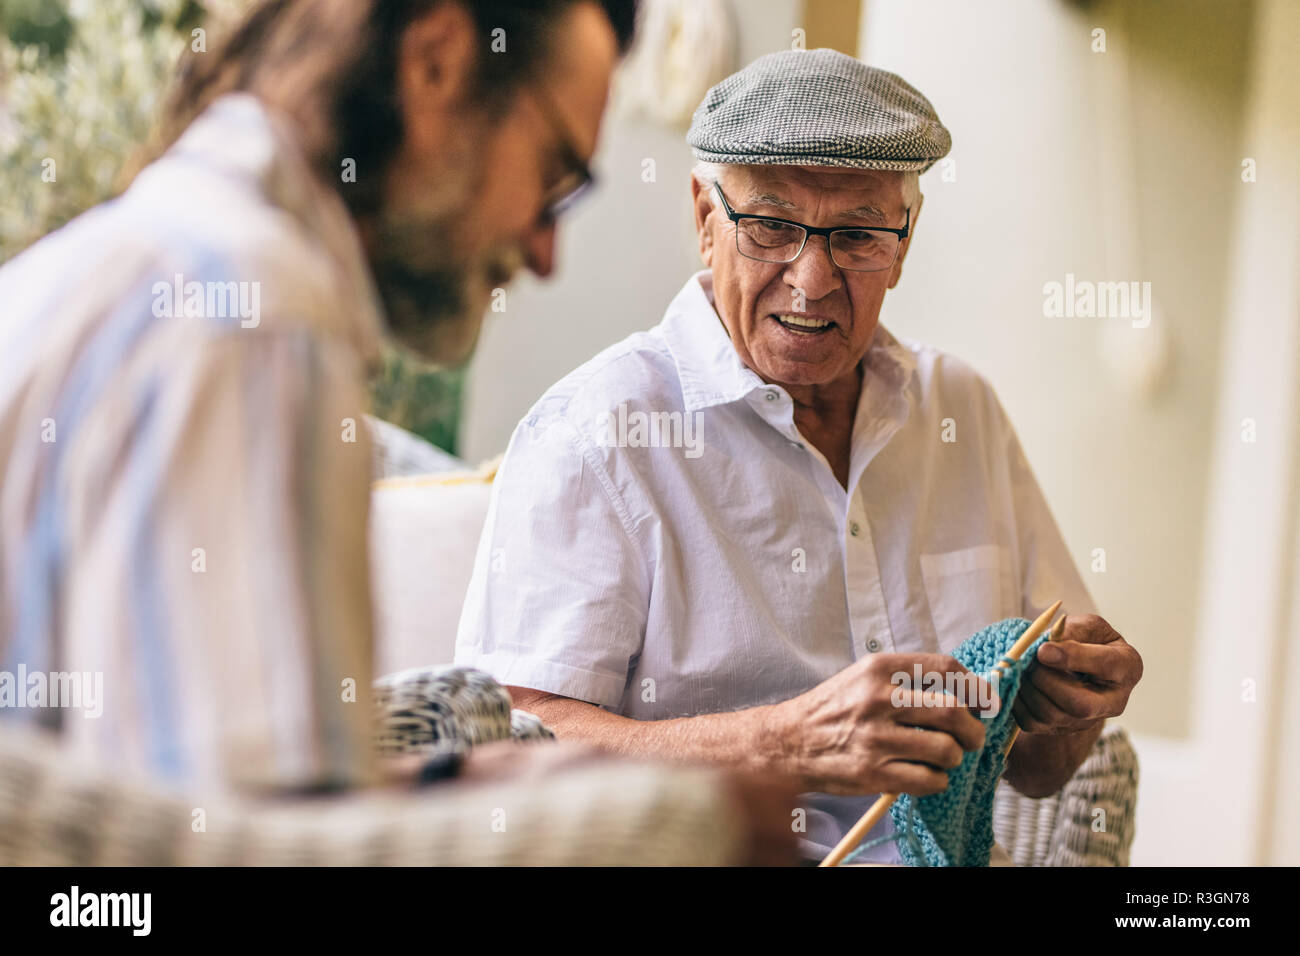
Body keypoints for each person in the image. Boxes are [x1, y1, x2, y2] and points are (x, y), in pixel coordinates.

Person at [0, 0, 795, 865]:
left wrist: (475, 784)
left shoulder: (116, 264)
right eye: (554, 177)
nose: (543, 252)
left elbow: (166, 797)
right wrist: (679, 824)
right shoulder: (258, 321)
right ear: (437, 64)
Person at [455, 48, 1144, 863]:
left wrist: (1074, 711)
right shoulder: (598, 431)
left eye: (856, 236)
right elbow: (507, 752)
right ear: (705, 219)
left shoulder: (965, 412)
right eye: (772, 227)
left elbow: (1035, 770)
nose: (811, 281)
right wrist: (788, 741)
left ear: (906, 239)